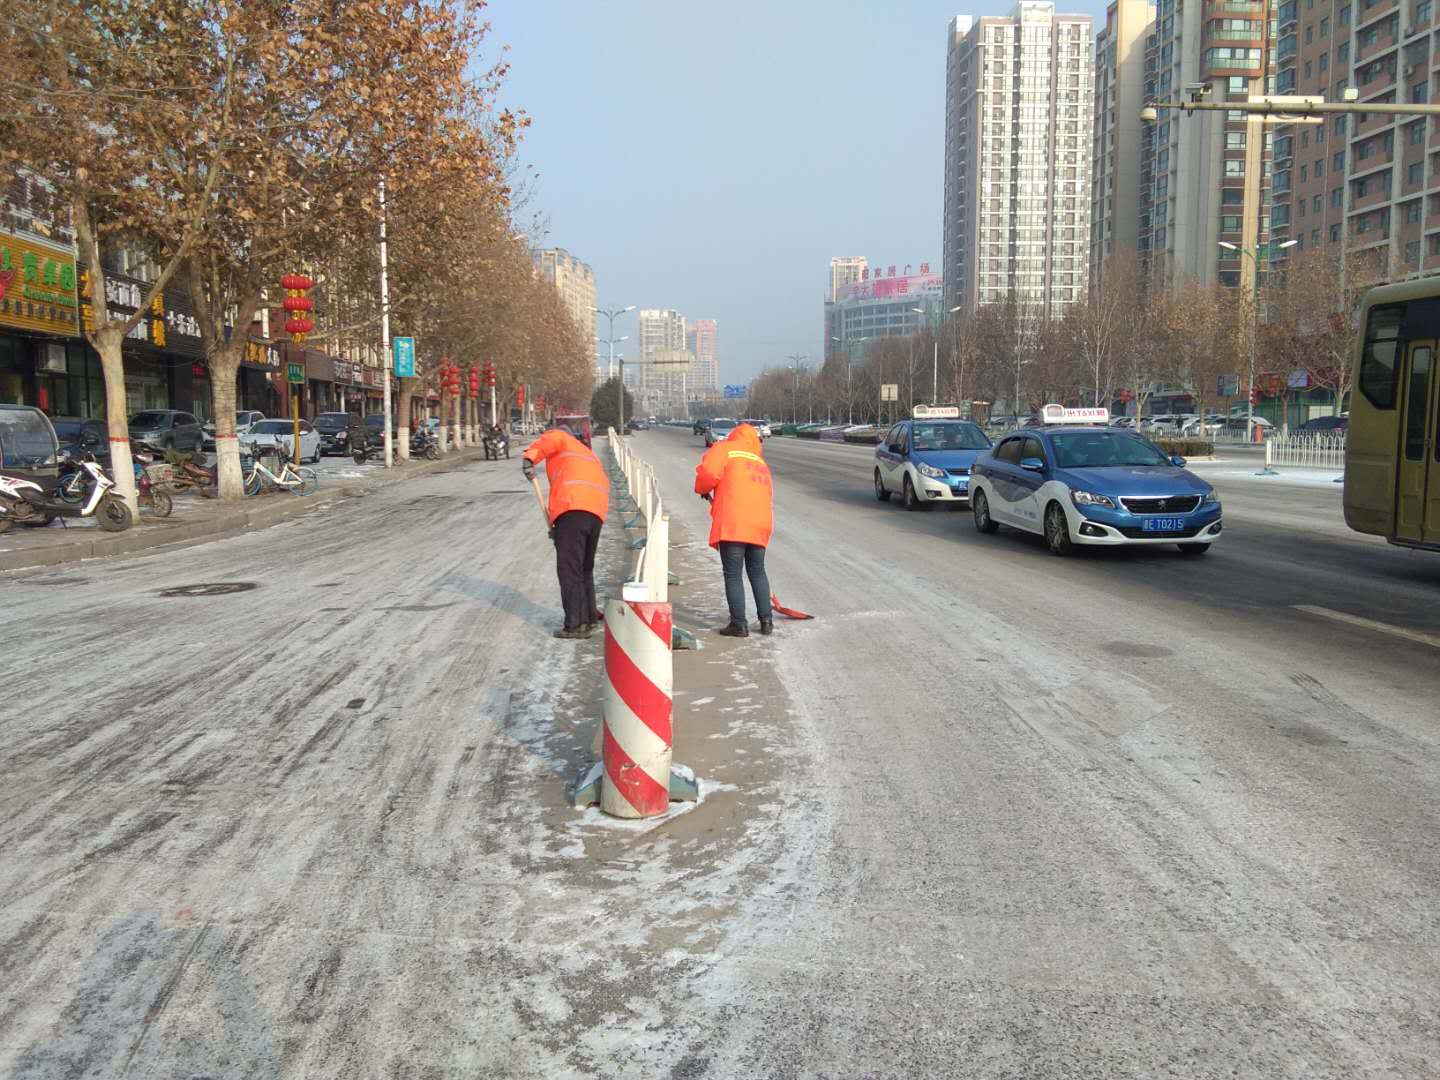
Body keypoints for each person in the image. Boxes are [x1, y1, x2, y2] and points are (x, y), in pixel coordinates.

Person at [523, 421, 609, 639]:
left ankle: (575, 624)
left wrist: (529, 458)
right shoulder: (587, 453)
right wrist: (559, 526)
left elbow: (550, 439)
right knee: (584, 568)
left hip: (572, 506)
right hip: (595, 512)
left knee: (570, 569)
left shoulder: (561, 437)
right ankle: (589, 616)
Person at [694, 421, 774, 638]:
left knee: (733, 574)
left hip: (734, 523)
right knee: (757, 571)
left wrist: (701, 489)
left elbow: (708, 473)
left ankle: (739, 624)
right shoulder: (759, 460)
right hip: (760, 524)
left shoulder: (725, 449)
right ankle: (766, 620)